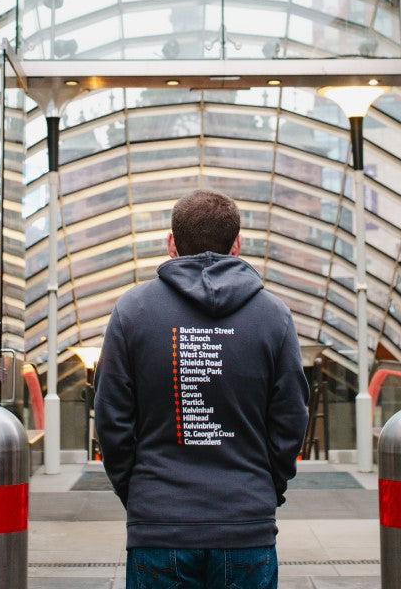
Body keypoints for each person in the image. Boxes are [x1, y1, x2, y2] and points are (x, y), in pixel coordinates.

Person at [94, 189, 310, 589]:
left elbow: (111, 421)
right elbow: (291, 419)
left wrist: (139, 493)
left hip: (159, 523)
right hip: (246, 522)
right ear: (237, 244)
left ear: (171, 243)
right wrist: (265, 489)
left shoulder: (132, 312)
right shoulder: (273, 316)